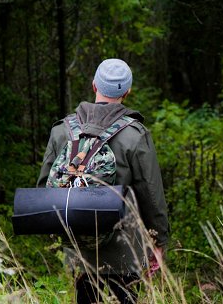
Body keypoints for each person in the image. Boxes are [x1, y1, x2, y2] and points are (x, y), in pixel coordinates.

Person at [37, 58, 169, 303]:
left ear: (94, 86)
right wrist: (158, 241)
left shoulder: (62, 130)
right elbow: (151, 193)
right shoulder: (135, 134)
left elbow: (45, 187)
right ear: (127, 92)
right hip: (124, 252)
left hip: (78, 250)